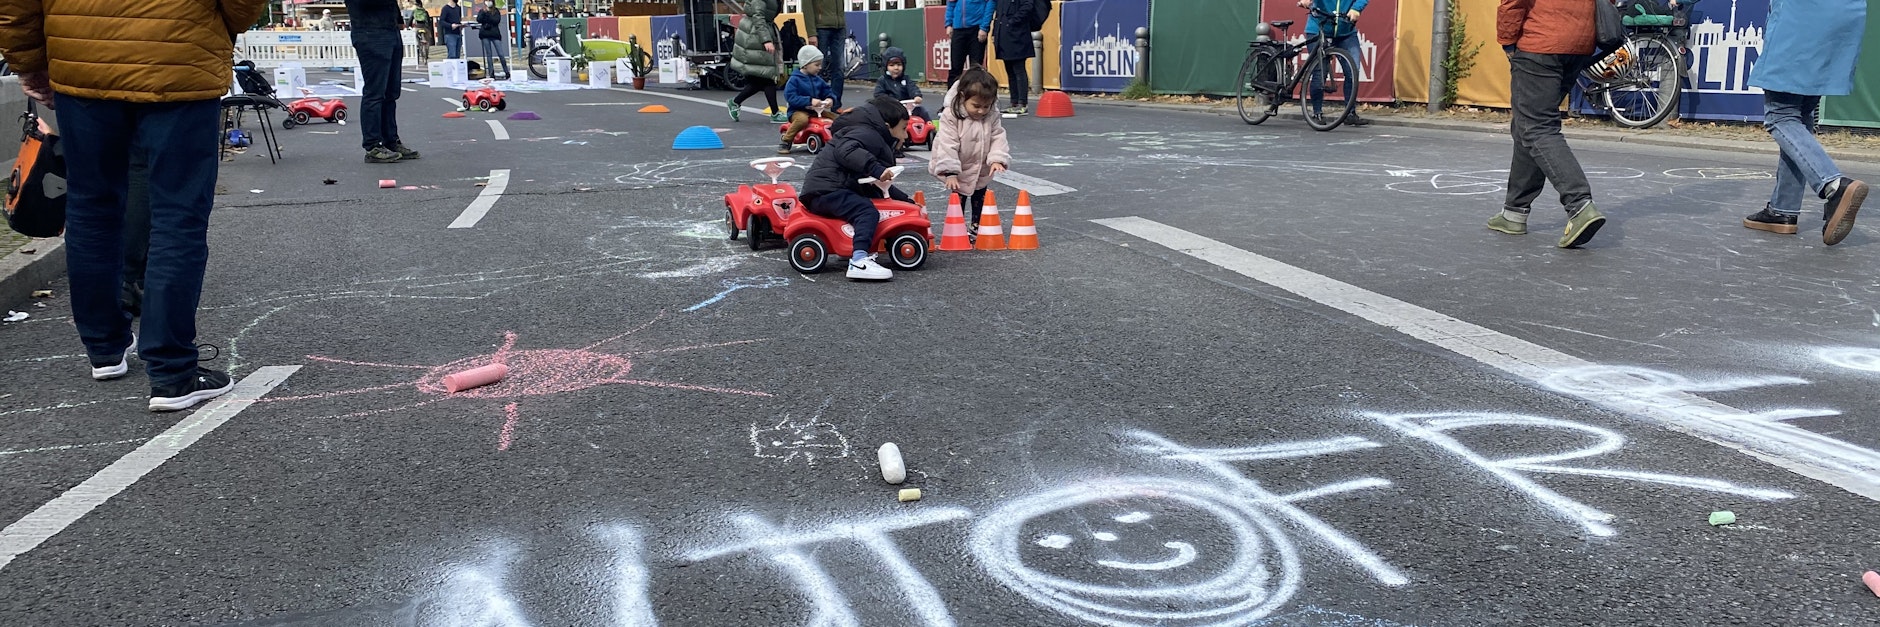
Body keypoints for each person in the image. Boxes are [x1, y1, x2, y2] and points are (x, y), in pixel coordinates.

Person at [0, 0, 269, 411]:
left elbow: (15, 5)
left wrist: (30, 61)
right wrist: (220, 24)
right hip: (178, 55)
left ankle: (104, 347)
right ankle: (172, 370)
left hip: (82, 55)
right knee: (178, 215)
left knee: (91, 207)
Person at [1740, 0, 1867, 244]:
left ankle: (1833, 185)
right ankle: (1783, 209)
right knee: (1800, 114)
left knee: (1780, 115)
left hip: (1802, 16)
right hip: (1844, 18)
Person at [1488, 0, 1605, 248]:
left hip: (1541, 39)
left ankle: (1579, 205)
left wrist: (1507, 41)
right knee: (1526, 122)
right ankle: (1514, 212)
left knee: (1538, 127)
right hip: (1580, 43)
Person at [799, 95, 915, 281]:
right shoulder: (868, 134)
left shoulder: (865, 133)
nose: (906, 136)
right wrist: (875, 168)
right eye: (903, 129)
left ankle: (856, 250)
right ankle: (859, 260)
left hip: (828, 188)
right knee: (866, 211)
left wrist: (905, 201)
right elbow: (846, 151)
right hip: (828, 189)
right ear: (887, 126)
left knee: (868, 203)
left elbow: (878, 186)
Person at [929, 67, 1009, 243]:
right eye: (976, 106)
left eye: (986, 106)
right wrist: (950, 172)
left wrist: (997, 158)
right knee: (959, 195)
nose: (981, 111)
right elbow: (947, 143)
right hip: (958, 163)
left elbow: (997, 135)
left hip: (980, 165)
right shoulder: (951, 115)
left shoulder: (991, 115)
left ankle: (977, 226)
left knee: (980, 193)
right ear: (963, 97)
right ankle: (956, 227)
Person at [348, 0, 419, 164]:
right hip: (370, 32)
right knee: (375, 92)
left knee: (391, 92)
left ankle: (390, 141)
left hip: (390, 30)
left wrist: (398, 20)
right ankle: (372, 146)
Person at [1296, 0, 1369, 127]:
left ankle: (1350, 113)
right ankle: (1317, 113)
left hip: (1346, 31)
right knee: (1320, 71)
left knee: (1353, 71)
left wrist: (1356, 8)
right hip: (1319, 28)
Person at [729, 0, 789, 124]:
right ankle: (775, 113)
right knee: (767, 76)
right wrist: (766, 40)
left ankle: (735, 102)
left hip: (757, 34)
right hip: (755, 36)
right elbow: (758, 16)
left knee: (761, 79)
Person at [780, 45, 838, 154]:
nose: (819, 68)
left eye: (820, 64)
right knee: (802, 120)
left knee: (836, 118)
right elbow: (791, 97)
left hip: (815, 111)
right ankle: (786, 141)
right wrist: (809, 100)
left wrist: (830, 99)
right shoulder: (794, 80)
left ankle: (838, 138)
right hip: (797, 111)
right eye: (817, 65)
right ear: (805, 64)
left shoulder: (818, 80)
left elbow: (827, 91)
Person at [992, 0, 1037, 116]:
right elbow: (998, 14)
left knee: (1019, 69)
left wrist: (1012, 21)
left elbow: (1028, 6)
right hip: (1004, 34)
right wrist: (994, 33)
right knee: (1010, 70)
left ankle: (1022, 103)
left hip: (1018, 34)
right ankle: (1014, 102)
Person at [803, 0, 848, 109]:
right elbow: (807, 7)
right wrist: (811, 33)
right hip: (821, 28)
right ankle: (817, 104)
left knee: (839, 68)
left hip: (839, 27)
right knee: (817, 68)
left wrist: (842, 23)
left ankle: (835, 105)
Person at [945, 0, 994, 88]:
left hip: (976, 28)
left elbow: (990, 3)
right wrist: (949, 23)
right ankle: (952, 94)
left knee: (976, 68)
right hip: (958, 29)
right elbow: (951, 3)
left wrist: (984, 27)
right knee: (955, 67)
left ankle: (975, 92)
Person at [874, 47, 930, 121]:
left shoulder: (906, 79)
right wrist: (891, 101)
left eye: (899, 65)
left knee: (921, 111)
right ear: (886, 67)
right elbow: (879, 94)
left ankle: (929, 126)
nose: (896, 68)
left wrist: (916, 96)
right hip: (890, 109)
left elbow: (912, 88)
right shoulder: (883, 80)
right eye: (892, 65)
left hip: (907, 108)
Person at [476, 3, 511, 80]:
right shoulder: (482, 10)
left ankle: (506, 72)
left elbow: (496, 20)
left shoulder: (496, 11)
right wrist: (484, 13)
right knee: (489, 54)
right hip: (485, 34)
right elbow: (479, 19)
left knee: (501, 54)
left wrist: (487, 16)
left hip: (495, 34)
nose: (488, 2)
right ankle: (491, 73)